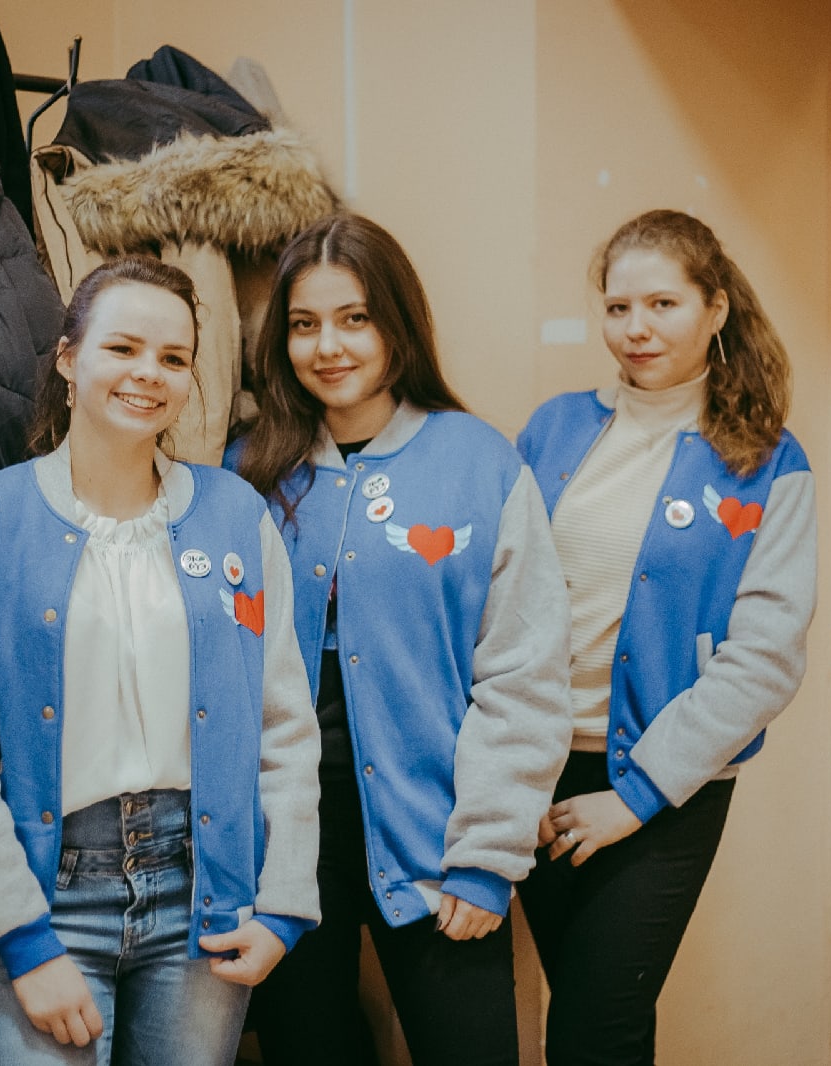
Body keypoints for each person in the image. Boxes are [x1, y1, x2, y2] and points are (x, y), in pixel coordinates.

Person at [0, 255, 322, 1065]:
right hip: (48, 892)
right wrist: (21, 939)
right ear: (68, 358)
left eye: (173, 358)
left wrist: (283, 903)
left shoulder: (235, 516)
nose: (149, 374)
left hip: (203, 892)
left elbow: (283, 723)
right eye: (123, 348)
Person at [228, 213, 572, 1066]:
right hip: (284, 843)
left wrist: (487, 856)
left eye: (355, 318)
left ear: (397, 324)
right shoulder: (246, 470)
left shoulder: (479, 463)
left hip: (438, 834)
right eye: (304, 324)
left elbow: (524, 672)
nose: (328, 347)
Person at [515, 209, 817, 1065]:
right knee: (594, 1018)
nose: (636, 329)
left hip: (667, 782)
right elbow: (501, 599)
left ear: (715, 308)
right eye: (618, 308)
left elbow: (766, 657)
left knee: (593, 1029)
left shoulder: (766, 460)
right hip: (538, 771)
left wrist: (637, 794)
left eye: (662, 305)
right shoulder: (553, 429)